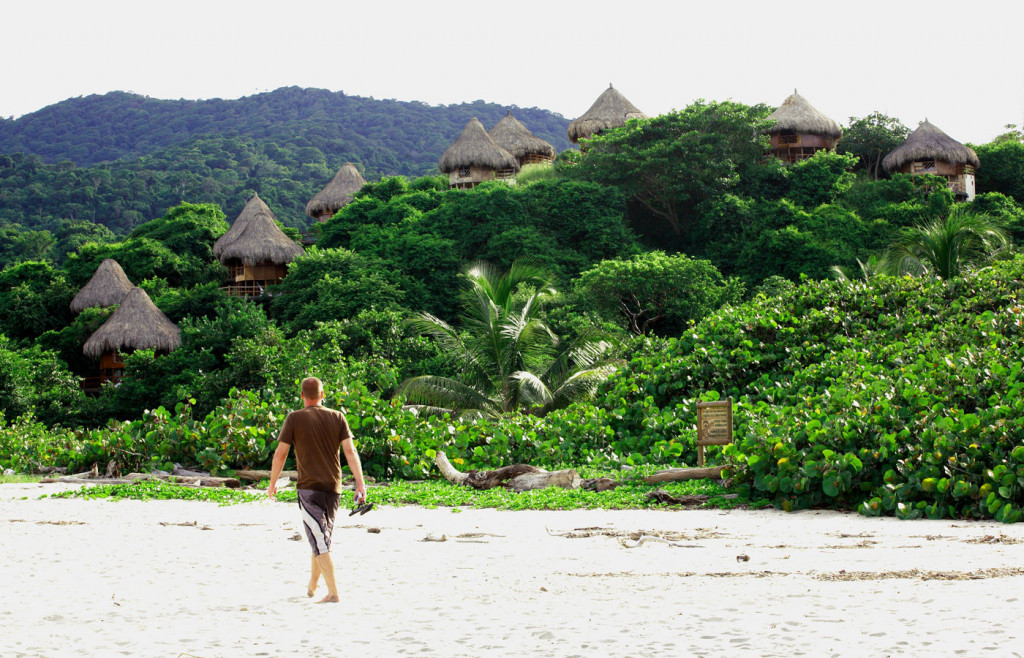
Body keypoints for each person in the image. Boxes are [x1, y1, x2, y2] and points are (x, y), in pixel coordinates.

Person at [268, 377, 367, 604]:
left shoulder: (294, 418)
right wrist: (360, 484)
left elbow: (280, 454)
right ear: (323, 395)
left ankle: (333, 593)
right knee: (321, 536)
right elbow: (351, 452)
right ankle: (313, 583)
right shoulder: (337, 417)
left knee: (320, 539)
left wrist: (273, 482)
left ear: (302, 396)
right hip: (334, 488)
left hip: (309, 489)